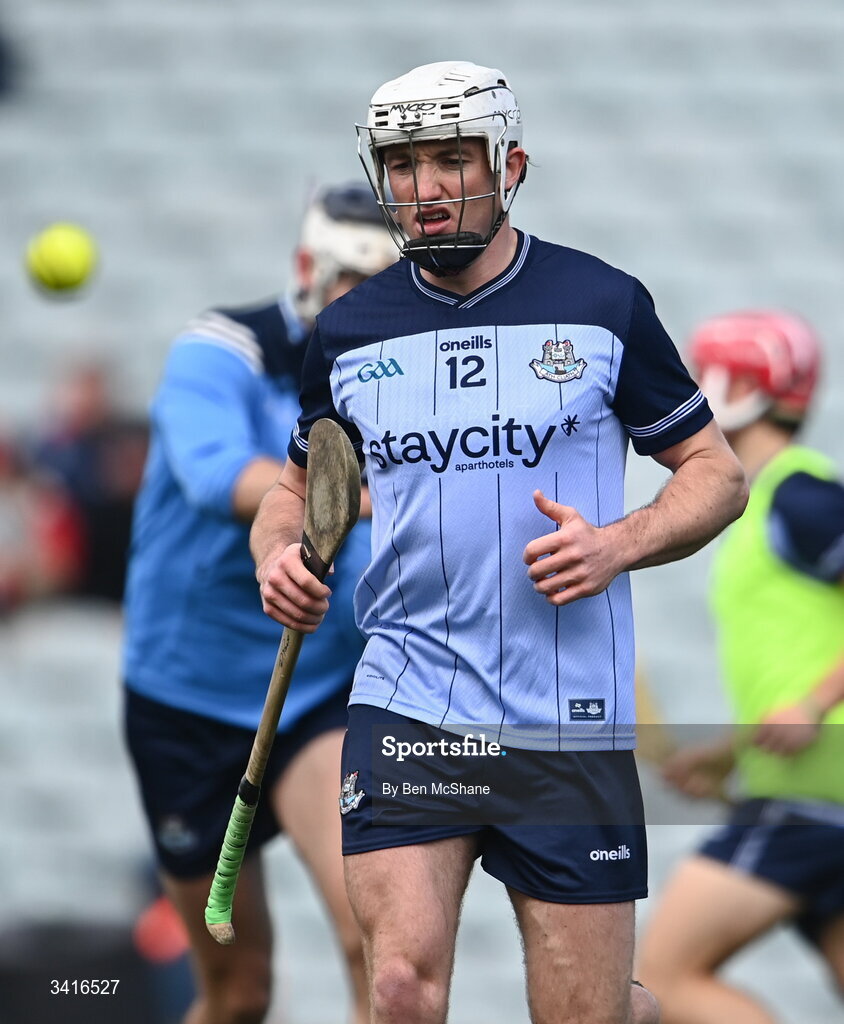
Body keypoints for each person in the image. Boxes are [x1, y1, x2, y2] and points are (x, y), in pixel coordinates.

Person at [250, 61, 748, 1024]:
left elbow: (715, 475)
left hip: (563, 722)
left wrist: (617, 544)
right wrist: (278, 554)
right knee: (397, 986)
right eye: (402, 165)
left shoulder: (605, 304)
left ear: (508, 163)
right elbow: (294, 489)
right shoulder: (347, 334)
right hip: (406, 702)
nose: (425, 189)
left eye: (449, 160)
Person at [122, 182, 396, 1024]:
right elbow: (219, 476)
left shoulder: (391, 380)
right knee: (240, 995)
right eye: (354, 279)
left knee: (373, 943)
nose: (372, 304)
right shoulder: (222, 350)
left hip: (314, 695)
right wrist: (361, 497)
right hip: (187, 702)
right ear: (308, 270)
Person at [638, 310, 844, 1024]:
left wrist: (816, 704)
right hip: (808, 788)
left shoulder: (798, 493)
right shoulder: (762, 504)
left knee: (659, 977)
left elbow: (808, 698)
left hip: (812, 796)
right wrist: (729, 755)